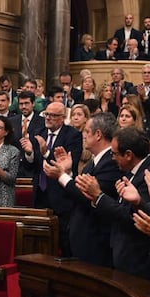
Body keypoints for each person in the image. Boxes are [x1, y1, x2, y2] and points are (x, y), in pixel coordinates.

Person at [74, 127, 150, 281]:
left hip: (137, 260)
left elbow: (133, 218)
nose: (112, 158)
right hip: (123, 255)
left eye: (114, 154)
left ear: (129, 155)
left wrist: (99, 195)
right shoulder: (131, 171)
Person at [44, 112, 121, 266]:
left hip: (96, 240)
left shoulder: (110, 162)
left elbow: (87, 196)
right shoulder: (94, 162)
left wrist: (61, 176)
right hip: (83, 236)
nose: (83, 135)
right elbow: (79, 188)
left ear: (98, 134)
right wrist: (67, 172)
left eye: (86, 131)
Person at [29, 102, 83, 256]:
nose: (49, 118)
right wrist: (29, 154)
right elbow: (30, 165)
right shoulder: (38, 132)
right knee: (40, 241)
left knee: (63, 241)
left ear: (63, 117)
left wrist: (46, 153)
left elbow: (69, 164)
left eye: (53, 115)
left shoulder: (73, 135)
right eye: (47, 114)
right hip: (39, 192)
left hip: (61, 196)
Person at [9, 91, 45, 177]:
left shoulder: (42, 122)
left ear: (33, 103)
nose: (24, 107)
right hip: (14, 170)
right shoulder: (11, 121)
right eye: (21, 104)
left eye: (26, 103)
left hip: (35, 169)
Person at [70, 104, 92, 174]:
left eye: (79, 115)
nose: (75, 117)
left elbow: (86, 155)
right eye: (73, 115)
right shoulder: (67, 132)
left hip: (82, 172)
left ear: (86, 118)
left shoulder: (89, 133)